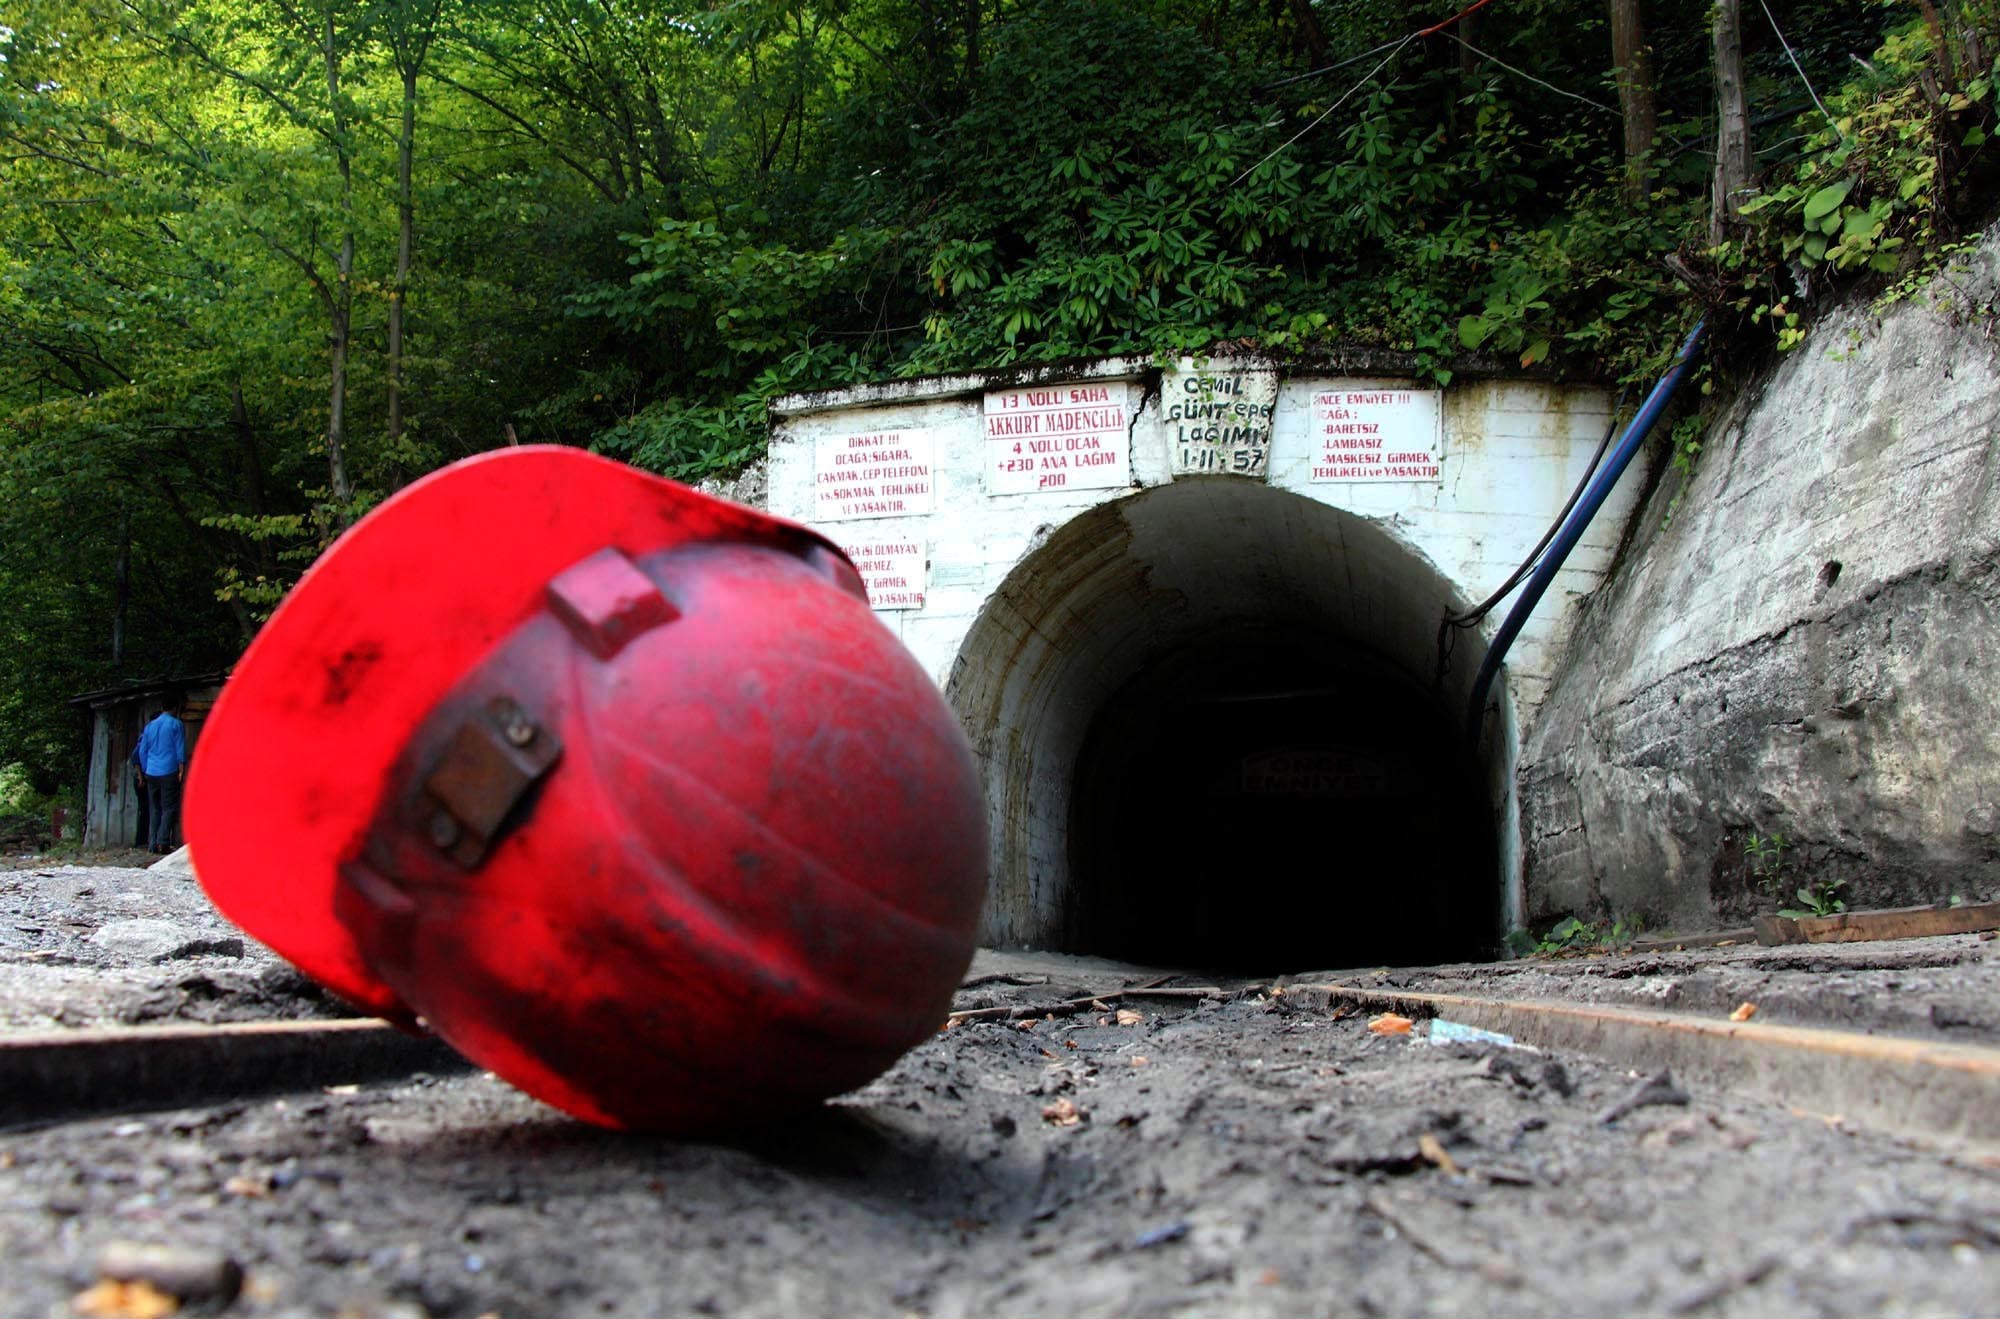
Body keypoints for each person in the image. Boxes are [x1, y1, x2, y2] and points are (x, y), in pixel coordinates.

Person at [131, 695, 189, 854]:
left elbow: (143, 750)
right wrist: (182, 769)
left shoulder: (150, 726)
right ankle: (163, 842)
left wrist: (145, 768)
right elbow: (180, 749)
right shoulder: (176, 725)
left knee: (154, 807)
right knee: (169, 807)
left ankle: (152, 843)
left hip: (151, 771)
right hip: (168, 770)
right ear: (175, 708)